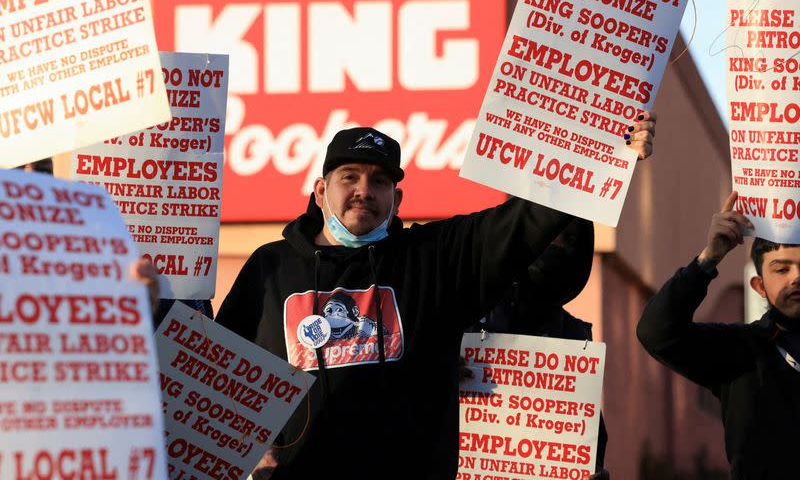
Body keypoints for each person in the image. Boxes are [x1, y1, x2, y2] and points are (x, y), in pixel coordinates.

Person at [217, 117, 654, 478]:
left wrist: (607, 152)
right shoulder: (269, 268)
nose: (364, 190)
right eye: (349, 176)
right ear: (319, 191)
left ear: (397, 197)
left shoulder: (436, 258)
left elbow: (528, 218)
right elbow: (219, 372)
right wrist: (247, 452)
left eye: (380, 180)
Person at [636, 191, 800, 479]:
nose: (795, 278)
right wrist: (708, 259)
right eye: (782, 269)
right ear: (759, 286)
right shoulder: (739, 350)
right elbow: (657, 332)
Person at [466, 218, 610, 479]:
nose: (558, 246)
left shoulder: (574, 338)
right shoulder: (462, 321)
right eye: (550, 234)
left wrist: (592, 468)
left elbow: (589, 439)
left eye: (571, 241)